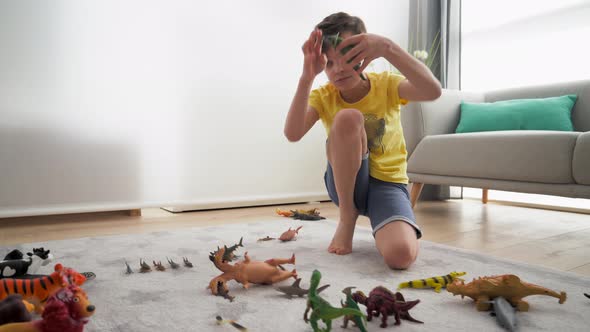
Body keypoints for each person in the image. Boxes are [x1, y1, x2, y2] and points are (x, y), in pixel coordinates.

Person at [283, 12, 441, 269]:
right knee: (347, 118)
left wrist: (387, 47)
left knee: (400, 256)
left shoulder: (387, 85)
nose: (339, 69)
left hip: (388, 185)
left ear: (365, 54)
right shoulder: (325, 96)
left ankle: (382, 221)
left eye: (347, 58)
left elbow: (433, 91)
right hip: (346, 187)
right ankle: (348, 218)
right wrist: (307, 77)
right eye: (330, 64)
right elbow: (293, 133)